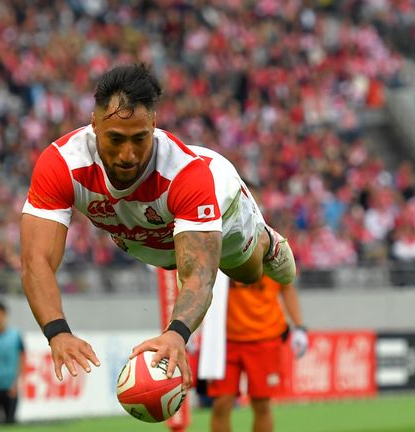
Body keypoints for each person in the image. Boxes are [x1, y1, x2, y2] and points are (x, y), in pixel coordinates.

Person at [20, 64, 297, 389]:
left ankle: (266, 241)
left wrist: (176, 333)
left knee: (247, 274)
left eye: (140, 139)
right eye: (115, 139)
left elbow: (199, 275)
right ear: (94, 124)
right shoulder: (61, 164)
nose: (128, 154)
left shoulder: (187, 176)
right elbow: (36, 260)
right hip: (144, 236)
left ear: (154, 124)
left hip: (220, 202)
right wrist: (57, 331)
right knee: (167, 256)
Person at [208, 275, 308, 432]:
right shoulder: (218, 252)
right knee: (221, 402)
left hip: (265, 338)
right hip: (224, 340)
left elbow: (287, 287)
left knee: (261, 403)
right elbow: (199, 287)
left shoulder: (275, 251)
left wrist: (299, 326)